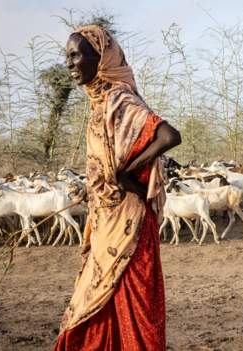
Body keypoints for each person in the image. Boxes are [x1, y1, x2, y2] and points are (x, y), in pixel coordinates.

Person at [54, 25, 181, 350]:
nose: (69, 64)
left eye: (76, 55)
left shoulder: (118, 99)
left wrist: (126, 173)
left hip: (130, 229)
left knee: (132, 308)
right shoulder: (100, 103)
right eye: (67, 56)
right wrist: (96, 186)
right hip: (107, 226)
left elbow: (168, 136)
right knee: (97, 305)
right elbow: (106, 162)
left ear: (101, 57)